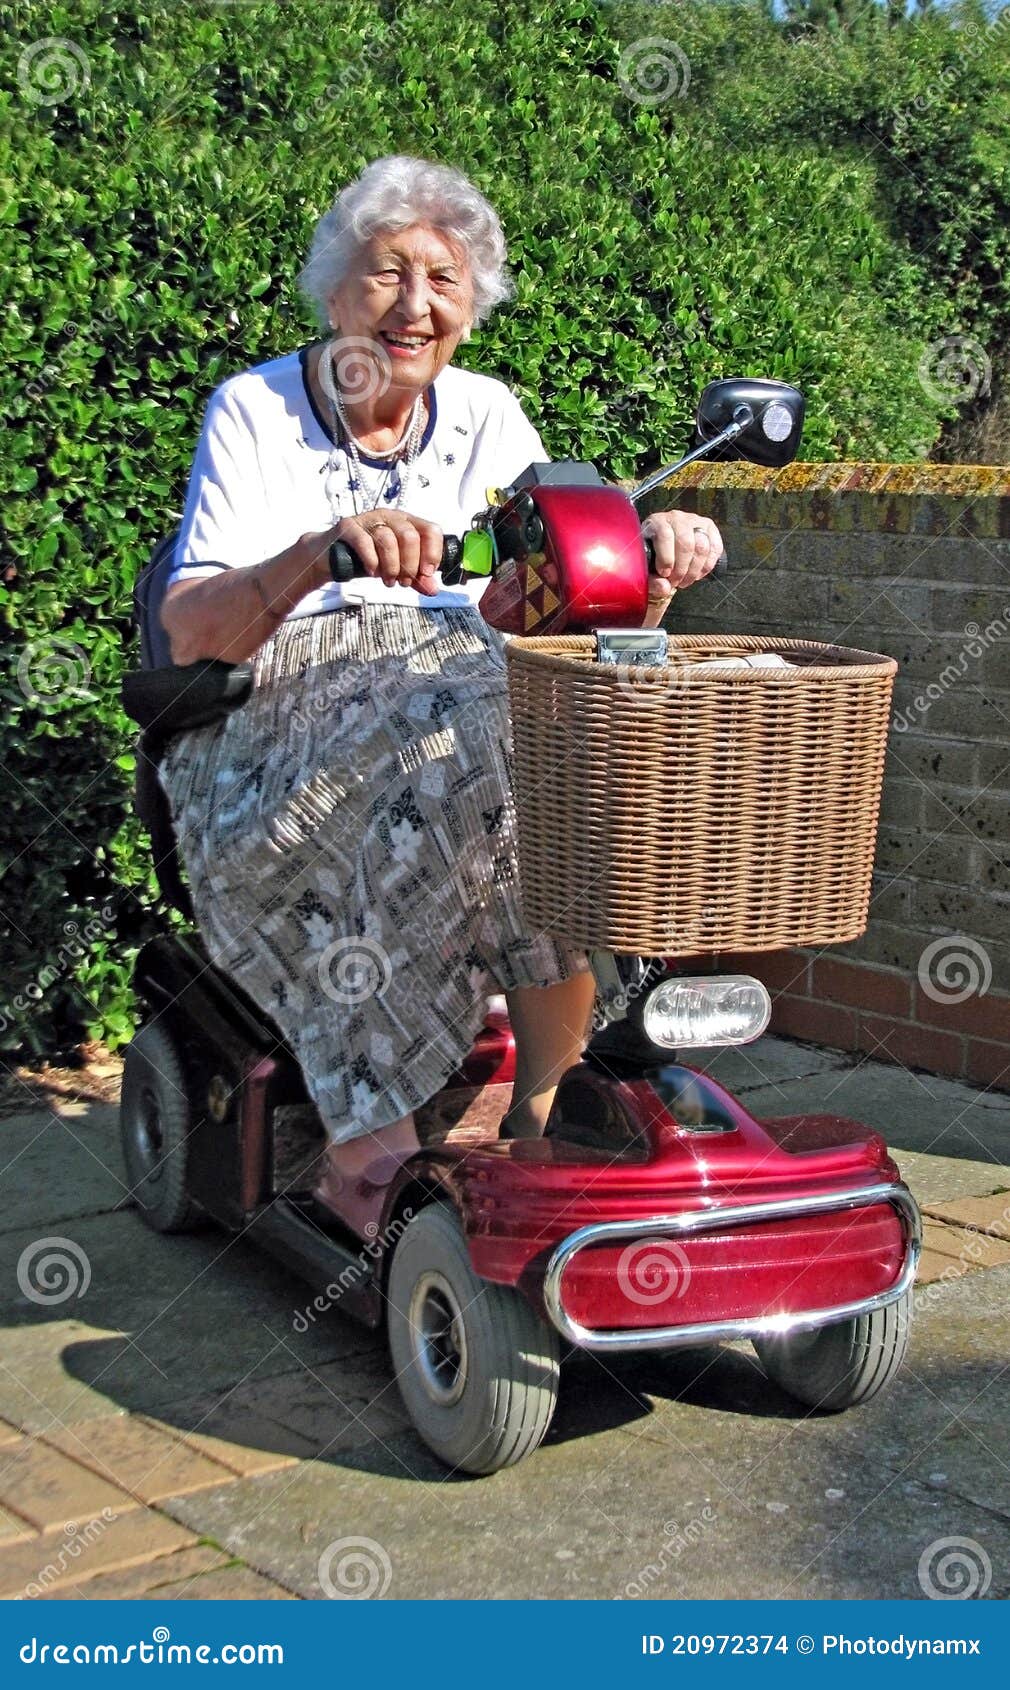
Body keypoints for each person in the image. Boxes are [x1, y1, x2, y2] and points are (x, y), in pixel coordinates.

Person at [159, 154, 724, 1230]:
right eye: (385, 275)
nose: (414, 307)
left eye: (443, 282)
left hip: (458, 689)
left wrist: (642, 571)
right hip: (277, 709)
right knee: (458, 728)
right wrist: (324, 552)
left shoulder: (486, 414)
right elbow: (191, 626)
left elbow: (550, 611)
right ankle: (368, 1145)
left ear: (472, 305)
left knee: (557, 733)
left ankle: (542, 1116)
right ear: (333, 289)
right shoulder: (255, 410)